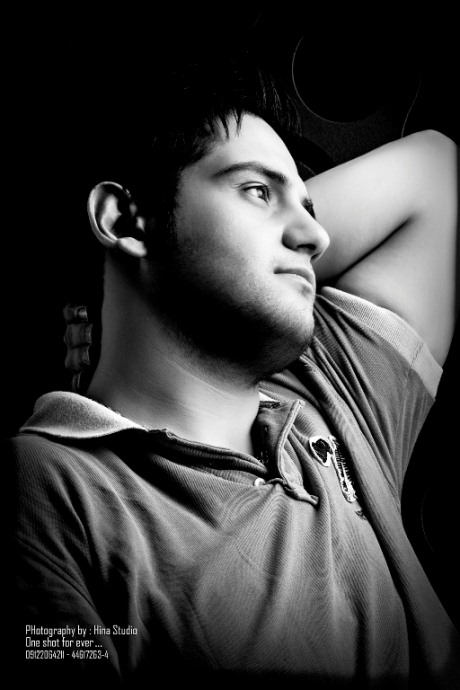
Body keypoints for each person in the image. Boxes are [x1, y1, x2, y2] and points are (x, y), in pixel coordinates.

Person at [7, 48, 459, 689]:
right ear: (124, 218)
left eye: (311, 210)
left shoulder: (335, 392)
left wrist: (250, 248)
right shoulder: (47, 486)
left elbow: (436, 171)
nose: (316, 238)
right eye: (257, 191)